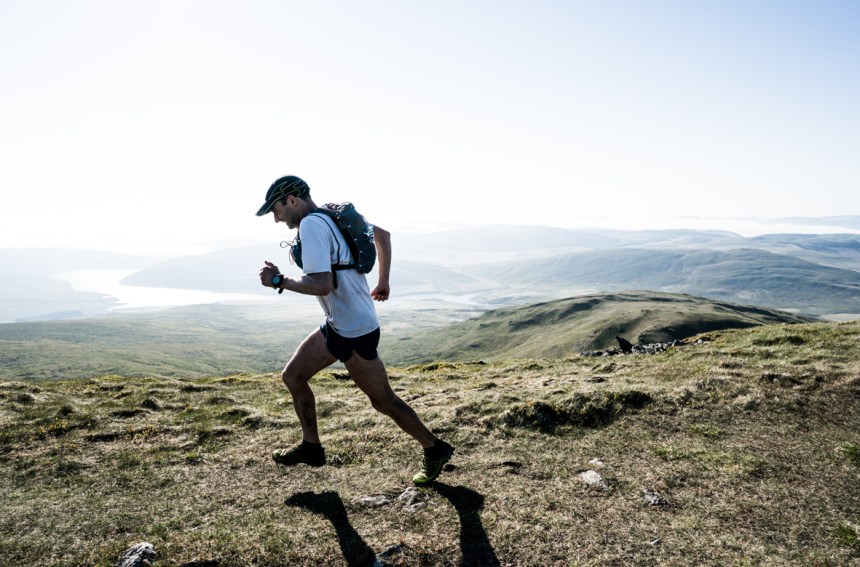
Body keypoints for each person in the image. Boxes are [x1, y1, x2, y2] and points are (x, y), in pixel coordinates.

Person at [255, 175, 454, 485]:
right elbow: (383, 235)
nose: (276, 218)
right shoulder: (334, 215)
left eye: (276, 210)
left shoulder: (311, 225)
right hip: (340, 324)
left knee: (384, 401)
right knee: (293, 376)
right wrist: (383, 281)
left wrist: (279, 281)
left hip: (354, 330)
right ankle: (311, 447)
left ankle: (435, 448)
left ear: (291, 200)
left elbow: (322, 283)